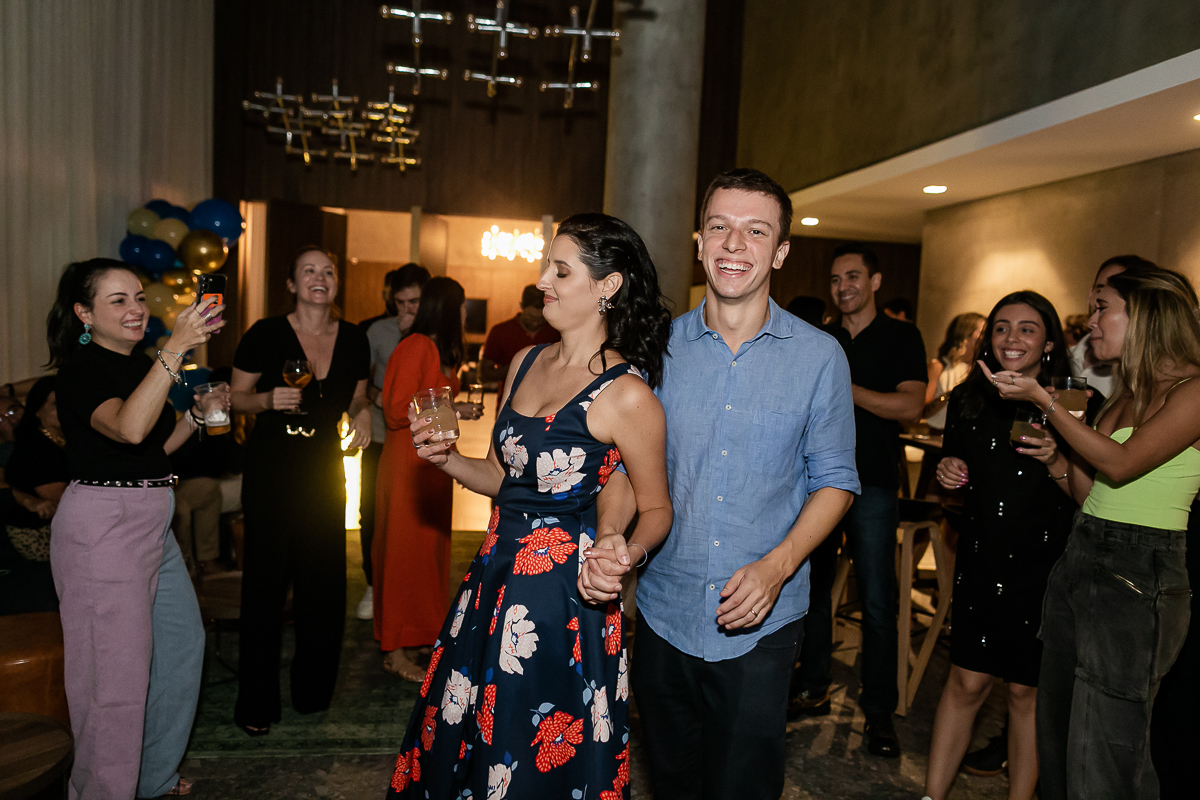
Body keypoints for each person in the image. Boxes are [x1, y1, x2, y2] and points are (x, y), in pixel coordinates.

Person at [590, 169, 859, 800]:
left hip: (761, 617)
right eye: (721, 228)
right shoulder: (657, 349)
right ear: (700, 241)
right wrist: (609, 535)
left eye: (755, 231)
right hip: (664, 608)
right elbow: (630, 470)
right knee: (674, 780)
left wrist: (776, 569)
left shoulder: (820, 357)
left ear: (780, 251)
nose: (735, 244)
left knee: (744, 785)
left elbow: (836, 482)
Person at [385, 213, 673, 799]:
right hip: (492, 579)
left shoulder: (627, 394)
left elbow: (659, 508)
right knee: (465, 736)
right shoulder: (524, 363)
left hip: (565, 599)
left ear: (607, 287)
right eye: (547, 266)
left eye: (561, 270)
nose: (543, 280)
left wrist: (624, 551)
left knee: (534, 749)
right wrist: (446, 460)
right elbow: (500, 475)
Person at [982, 268, 1200, 799]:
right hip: (1083, 552)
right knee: (1058, 728)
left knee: (1108, 741)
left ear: (1143, 315)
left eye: (1102, 308)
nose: (1090, 322)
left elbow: (1123, 465)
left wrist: (1044, 400)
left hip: (1139, 571)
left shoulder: (1193, 390)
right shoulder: (1127, 393)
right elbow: (1090, 492)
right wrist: (1056, 457)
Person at [48, 257, 224, 799]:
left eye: (140, 297)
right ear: (83, 313)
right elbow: (127, 428)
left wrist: (193, 419)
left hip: (152, 522)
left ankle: (149, 779)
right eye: (118, 300)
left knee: (179, 648)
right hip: (104, 530)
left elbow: (152, 448)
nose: (136, 309)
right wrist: (177, 348)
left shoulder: (138, 363)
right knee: (113, 682)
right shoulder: (80, 369)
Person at [923, 293, 1096, 800]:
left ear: (1048, 340)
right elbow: (956, 466)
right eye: (1001, 328)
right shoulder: (968, 398)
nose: (1012, 339)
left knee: (1025, 691)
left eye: (1026, 328)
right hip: (981, 558)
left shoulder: (1074, 400)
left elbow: (1088, 495)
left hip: (1046, 566)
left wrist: (1055, 458)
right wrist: (948, 470)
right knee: (966, 683)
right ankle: (932, 795)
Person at [790, 241, 926, 757]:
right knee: (813, 591)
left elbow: (909, 406)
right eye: (834, 279)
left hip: (871, 482)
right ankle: (814, 686)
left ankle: (878, 712)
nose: (842, 286)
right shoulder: (819, 338)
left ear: (874, 282)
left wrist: (846, 389)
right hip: (819, 483)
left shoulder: (900, 336)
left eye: (852, 277)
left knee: (876, 600)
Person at [230, 246, 372, 736]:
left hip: (322, 473)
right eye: (308, 269)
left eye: (328, 271)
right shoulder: (265, 334)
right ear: (291, 284)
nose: (320, 277)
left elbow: (355, 395)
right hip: (271, 471)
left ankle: (313, 692)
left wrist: (364, 413)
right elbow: (235, 398)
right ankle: (255, 703)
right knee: (265, 590)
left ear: (336, 284)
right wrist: (267, 399)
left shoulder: (354, 339)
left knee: (324, 588)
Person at [372, 276, 482, 681]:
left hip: (432, 463)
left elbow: (431, 401)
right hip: (407, 465)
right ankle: (395, 649)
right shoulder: (416, 345)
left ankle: (420, 632)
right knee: (402, 556)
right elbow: (397, 410)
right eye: (462, 305)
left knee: (428, 556)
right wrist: (444, 405)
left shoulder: (435, 348)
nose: (465, 313)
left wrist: (457, 409)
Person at [359, 263, 430, 620]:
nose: (408, 309)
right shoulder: (379, 331)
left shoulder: (435, 335)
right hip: (382, 433)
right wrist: (380, 400)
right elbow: (362, 384)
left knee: (418, 521)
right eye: (401, 302)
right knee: (372, 511)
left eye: (414, 301)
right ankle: (375, 584)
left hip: (423, 441)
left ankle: (415, 595)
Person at [1069, 255, 1159, 402]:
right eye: (1100, 289)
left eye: (1116, 289)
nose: (1104, 295)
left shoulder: (1148, 379)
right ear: (1090, 294)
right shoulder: (1068, 355)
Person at [4, 376, 68, 561]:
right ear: (37, 411)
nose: (66, 409)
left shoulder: (62, 439)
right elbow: (62, 504)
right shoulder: (36, 448)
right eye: (56, 404)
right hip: (38, 535)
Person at [478, 283, 561, 404]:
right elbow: (483, 375)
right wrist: (519, 366)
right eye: (531, 317)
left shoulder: (555, 332)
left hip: (547, 406)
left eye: (540, 319)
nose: (535, 323)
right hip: (509, 406)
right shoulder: (501, 331)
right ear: (521, 306)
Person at [924, 312, 985, 429]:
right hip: (936, 434)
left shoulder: (979, 370)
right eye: (981, 332)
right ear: (966, 334)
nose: (985, 337)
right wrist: (950, 395)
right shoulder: (939, 366)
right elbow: (922, 410)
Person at [359, 268, 401, 332]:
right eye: (392, 294)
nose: (395, 299)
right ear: (384, 295)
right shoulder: (367, 327)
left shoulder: (412, 328)